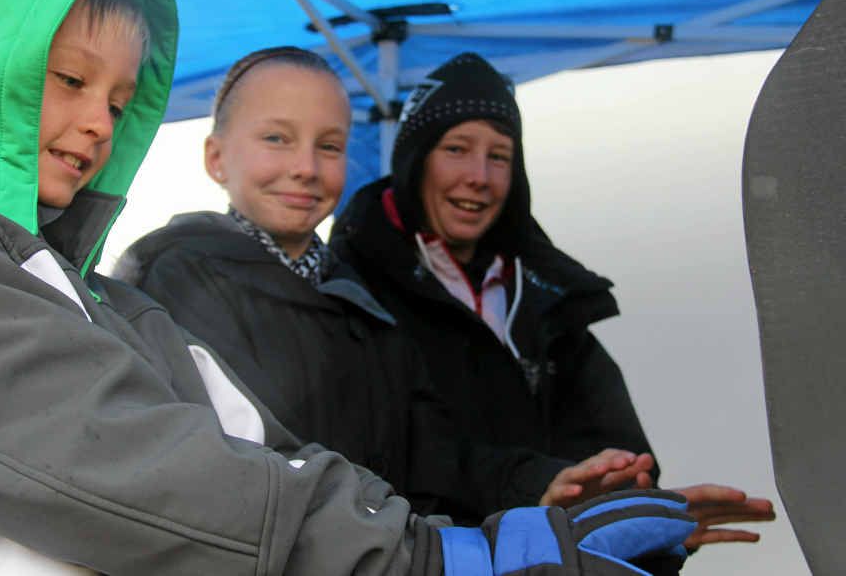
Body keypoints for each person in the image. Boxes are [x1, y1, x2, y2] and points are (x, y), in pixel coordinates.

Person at [0, 0, 695, 575]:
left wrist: (517, 515)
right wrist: (435, 557)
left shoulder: (122, 308)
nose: (100, 121)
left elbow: (280, 452)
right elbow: (142, 474)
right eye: (68, 80)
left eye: (123, 100)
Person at [115, 46, 657, 521]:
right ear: (215, 158)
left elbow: (433, 453)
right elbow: (237, 471)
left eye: (329, 146)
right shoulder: (179, 277)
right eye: (277, 138)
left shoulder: (359, 300)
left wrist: (541, 486)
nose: (305, 166)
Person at [330, 52, 777, 549]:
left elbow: (617, 453)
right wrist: (539, 489)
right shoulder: (350, 292)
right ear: (414, 161)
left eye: (499, 156)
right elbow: (404, 452)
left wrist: (634, 516)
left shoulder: (548, 295)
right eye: (456, 149)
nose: (479, 175)